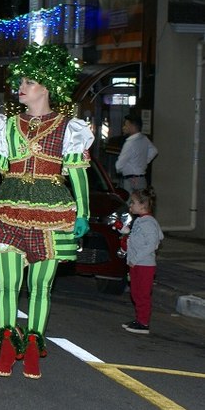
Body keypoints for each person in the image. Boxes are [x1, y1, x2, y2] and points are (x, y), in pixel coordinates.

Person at [0, 43, 92, 379]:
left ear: (47, 86)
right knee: (8, 285)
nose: (21, 86)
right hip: (8, 206)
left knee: (41, 286)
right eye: (21, 81)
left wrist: (84, 214)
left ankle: (33, 344)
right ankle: (7, 342)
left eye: (29, 82)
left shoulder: (69, 127)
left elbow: (77, 171)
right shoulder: (6, 125)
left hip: (52, 210)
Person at [121, 188, 163, 334]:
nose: (130, 205)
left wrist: (136, 258)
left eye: (133, 202)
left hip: (144, 264)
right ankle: (139, 319)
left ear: (143, 205)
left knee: (142, 294)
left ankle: (143, 323)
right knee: (136, 293)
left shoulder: (149, 223)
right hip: (136, 263)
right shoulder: (140, 221)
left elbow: (153, 243)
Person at [115, 114, 157, 193]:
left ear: (132, 126)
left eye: (126, 125)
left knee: (131, 203)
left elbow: (119, 165)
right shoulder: (144, 138)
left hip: (130, 180)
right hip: (141, 178)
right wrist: (145, 161)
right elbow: (154, 151)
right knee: (142, 201)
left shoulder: (129, 143)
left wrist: (120, 170)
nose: (124, 127)